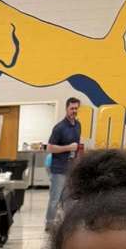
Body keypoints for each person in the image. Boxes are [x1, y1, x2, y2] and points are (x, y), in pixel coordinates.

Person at [45, 96, 82, 229]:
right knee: (55, 199)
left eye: (76, 108)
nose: (74, 111)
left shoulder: (78, 125)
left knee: (69, 199)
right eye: (72, 108)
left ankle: (67, 224)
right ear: (66, 109)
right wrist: (67, 148)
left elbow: (76, 146)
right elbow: (49, 148)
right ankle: (49, 224)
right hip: (59, 169)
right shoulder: (59, 127)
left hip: (71, 168)